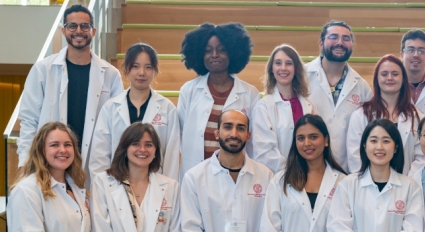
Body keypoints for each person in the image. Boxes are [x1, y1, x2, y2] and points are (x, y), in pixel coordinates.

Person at [17, 4, 123, 170]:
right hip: (50, 163)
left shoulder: (111, 74)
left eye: (85, 26)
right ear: (63, 31)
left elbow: (116, 125)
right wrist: (24, 161)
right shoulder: (43, 70)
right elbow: (29, 120)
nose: (79, 31)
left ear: (93, 31)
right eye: (72, 26)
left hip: (94, 164)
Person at [177, 22, 260, 179]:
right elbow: (181, 134)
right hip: (196, 175)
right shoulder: (189, 91)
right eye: (208, 51)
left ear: (233, 53)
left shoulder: (250, 94)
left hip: (235, 174)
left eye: (221, 50)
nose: (214, 54)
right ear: (200, 55)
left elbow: (252, 140)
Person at [89, 43, 181, 183]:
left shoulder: (167, 109)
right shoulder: (110, 108)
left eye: (148, 67)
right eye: (135, 66)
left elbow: (172, 157)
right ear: (126, 69)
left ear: (155, 71)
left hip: (155, 186)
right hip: (116, 185)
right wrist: (104, 189)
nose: (142, 72)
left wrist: (167, 190)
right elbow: (99, 156)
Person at [306, 21, 372, 172]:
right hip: (306, 168)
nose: (340, 43)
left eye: (346, 39)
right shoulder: (301, 77)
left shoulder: (362, 88)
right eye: (334, 37)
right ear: (321, 43)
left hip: (347, 171)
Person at [346, 55, 424, 175]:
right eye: (384, 74)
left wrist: (408, 184)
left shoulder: (417, 116)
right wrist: (370, 184)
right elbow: (355, 156)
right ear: (377, 79)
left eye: (395, 74)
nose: (389, 78)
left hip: (406, 186)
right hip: (368, 187)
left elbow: (421, 156)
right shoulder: (361, 115)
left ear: (403, 79)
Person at [249, 44, 316, 174]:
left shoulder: (310, 105)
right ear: (271, 69)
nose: (283, 68)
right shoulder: (263, 106)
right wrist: (292, 171)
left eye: (289, 63)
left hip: (309, 174)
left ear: (296, 69)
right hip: (278, 177)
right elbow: (264, 153)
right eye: (278, 63)